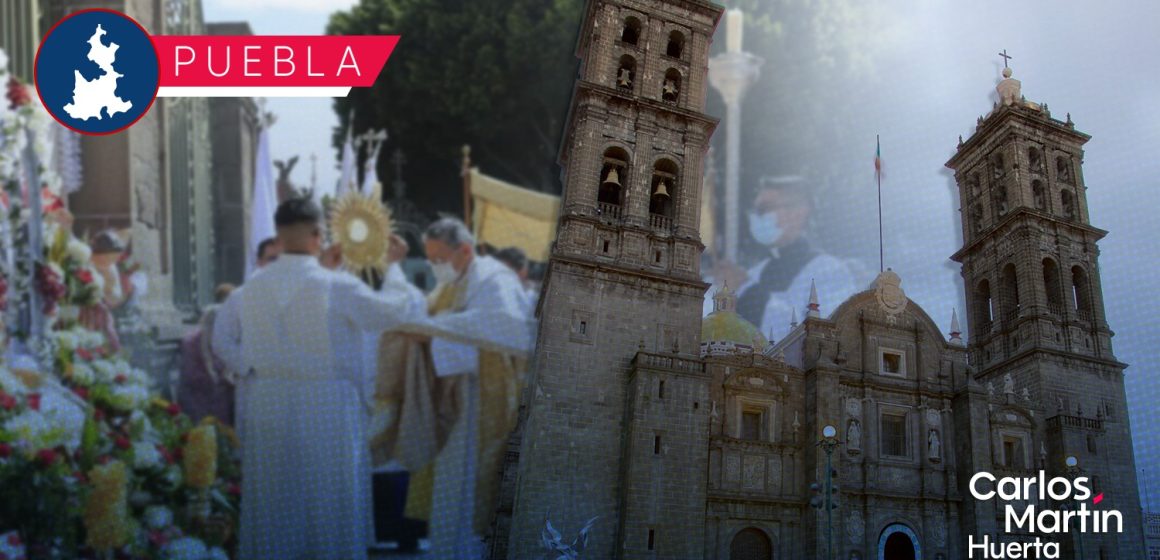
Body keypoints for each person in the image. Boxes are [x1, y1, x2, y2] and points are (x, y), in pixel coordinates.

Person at [235, 198, 416, 559]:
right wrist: (394, 268)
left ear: (279, 234)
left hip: (268, 400)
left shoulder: (252, 286)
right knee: (329, 502)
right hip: (325, 405)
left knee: (275, 502)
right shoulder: (336, 286)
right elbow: (392, 312)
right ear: (319, 234)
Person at [389, 218, 533, 559]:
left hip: (482, 406)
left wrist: (434, 331)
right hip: (454, 404)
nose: (434, 266)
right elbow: (421, 312)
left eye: (438, 258)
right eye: (431, 258)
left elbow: (504, 328)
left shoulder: (494, 280)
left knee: (471, 496)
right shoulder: (452, 283)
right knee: (450, 495)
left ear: (465, 250)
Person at [709, 175, 857, 342]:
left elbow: (822, 341)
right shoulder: (755, 272)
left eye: (764, 209)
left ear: (799, 212)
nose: (756, 218)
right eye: (755, 211)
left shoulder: (830, 272)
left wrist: (747, 291)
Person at [177, 283, 236, 424]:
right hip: (199, 403)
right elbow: (191, 377)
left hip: (219, 402)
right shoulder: (193, 342)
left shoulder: (226, 339)